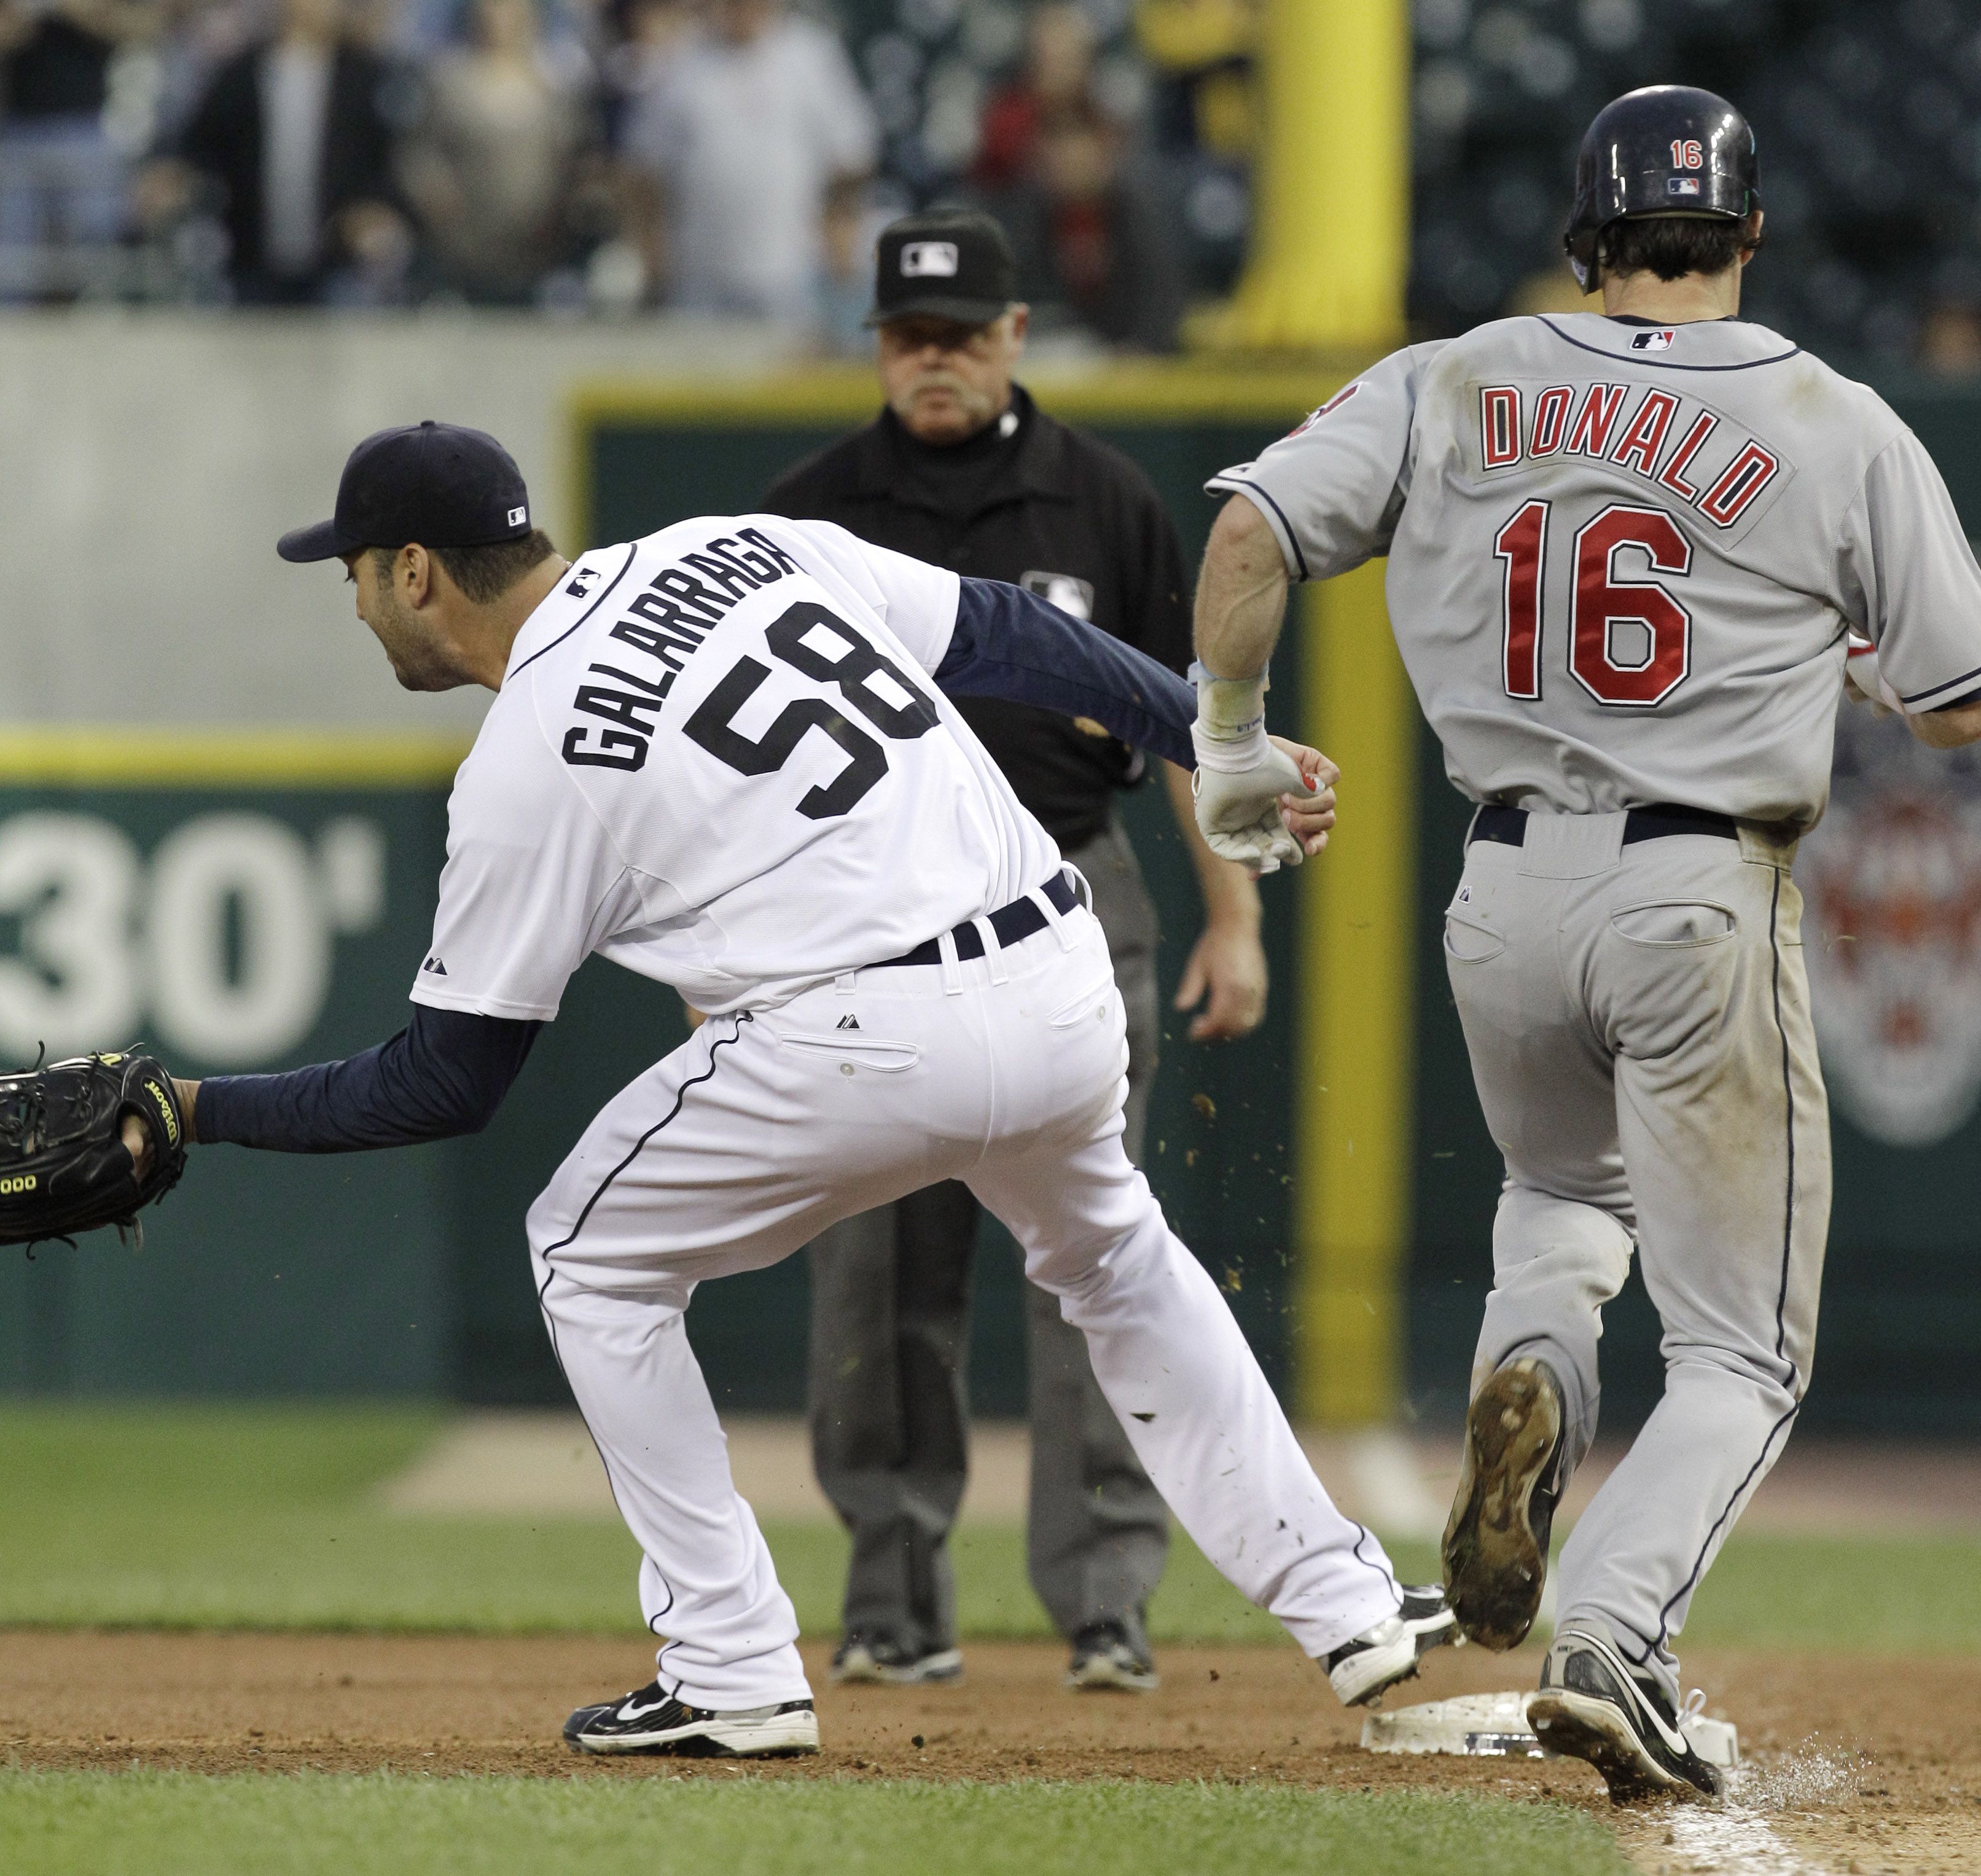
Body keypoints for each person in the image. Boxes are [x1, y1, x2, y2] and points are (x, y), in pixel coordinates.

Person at [142, 416, 1456, 1758]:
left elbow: (441, 1083)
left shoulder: (524, 759)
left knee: (585, 1259)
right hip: (1059, 978)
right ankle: (1348, 1606)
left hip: (868, 1034)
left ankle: (729, 1665)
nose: (356, 600)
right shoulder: (736, 547)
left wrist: (192, 1110)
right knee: (1113, 1255)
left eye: (354, 571)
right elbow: (1008, 631)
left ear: (414, 570)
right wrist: (1211, 733)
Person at [1187, 85, 1981, 1804]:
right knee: (1743, 1354)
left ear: (1586, 236)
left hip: (1503, 893)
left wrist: (1235, 745)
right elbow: (1958, 697)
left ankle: (1527, 1374)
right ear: (1752, 233)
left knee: (1559, 1198)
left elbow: (1249, 528)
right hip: (1697, 886)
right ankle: (1614, 1636)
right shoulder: (1830, 415)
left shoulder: (1454, 376)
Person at [765, 209, 1265, 1693]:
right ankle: (889, 1599)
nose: (932, 360)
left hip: (1069, 887)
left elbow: (1193, 725)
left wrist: (1231, 916)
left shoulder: (1103, 501)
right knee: (876, 1271)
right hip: (862, 921)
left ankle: (1103, 1601)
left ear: (1015, 335)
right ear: (875, 344)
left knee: (1093, 1260)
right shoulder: (808, 511)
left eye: (959, 335)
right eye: (908, 336)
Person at [618, 0, 874, 327]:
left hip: (792, 278)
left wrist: (841, 245)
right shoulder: (681, 61)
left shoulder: (810, 56)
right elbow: (643, 168)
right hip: (699, 282)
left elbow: (849, 159)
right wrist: (652, 256)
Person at [165, 0, 406, 304]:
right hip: (249, 264)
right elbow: (200, 149)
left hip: (338, 270)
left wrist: (371, 211)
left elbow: (386, 160)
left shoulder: (364, 77)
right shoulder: (241, 73)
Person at [397, 0, 600, 304]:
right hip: (463, 242)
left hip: (540, 243)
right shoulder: (450, 81)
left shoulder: (556, 86)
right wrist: (435, 196)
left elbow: (576, 158)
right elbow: (418, 155)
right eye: (493, 9)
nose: (501, 18)